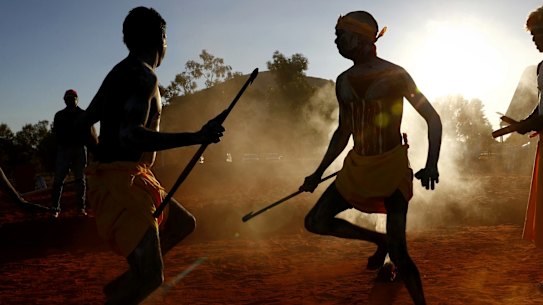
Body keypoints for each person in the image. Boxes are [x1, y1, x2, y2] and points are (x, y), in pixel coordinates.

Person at [82, 7, 224, 305]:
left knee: (182, 223)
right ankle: (129, 286)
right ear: (160, 38)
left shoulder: (119, 72)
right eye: (166, 38)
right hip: (124, 183)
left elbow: (85, 121)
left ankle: (128, 281)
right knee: (152, 277)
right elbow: (130, 135)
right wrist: (197, 137)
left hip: (127, 176)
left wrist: (99, 158)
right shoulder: (143, 78)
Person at [299, 11, 441, 305]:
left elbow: (432, 118)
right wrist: (318, 172)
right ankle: (379, 241)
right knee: (315, 220)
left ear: (362, 37)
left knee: (400, 254)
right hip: (357, 168)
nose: (336, 41)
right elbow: (344, 131)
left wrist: (431, 164)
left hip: (391, 169)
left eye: (341, 34)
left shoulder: (396, 75)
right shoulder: (343, 81)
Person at [515, 5, 543, 287]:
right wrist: (526, 121)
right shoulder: (540, 68)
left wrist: (531, 123)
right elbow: (540, 108)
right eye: (533, 35)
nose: (535, 39)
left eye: (539, 33)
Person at [51, 89, 97, 218]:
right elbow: (57, 134)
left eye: (72, 97)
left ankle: (80, 208)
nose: (70, 100)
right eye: (68, 98)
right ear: (65, 100)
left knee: (80, 180)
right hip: (64, 149)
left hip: (79, 149)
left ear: (77, 99)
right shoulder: (59, 115)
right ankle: (55, 208)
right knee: (59, 180)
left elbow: (90, 134)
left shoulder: (83, 114)